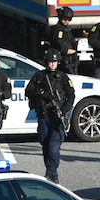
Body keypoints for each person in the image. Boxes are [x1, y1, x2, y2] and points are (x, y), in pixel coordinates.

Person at [25, 48, 75, 184]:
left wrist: (64, 110)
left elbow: (71, 95)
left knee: (53, 146)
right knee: (45, 144)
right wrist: (40, 93)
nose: (52, 64)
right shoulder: (39, 76)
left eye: (55, 62)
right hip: (43, 115)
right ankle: (50, 169)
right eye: (50, 62)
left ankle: (52, 173)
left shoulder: (63, 77)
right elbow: (28, 91)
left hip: (57, 117)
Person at [48, 6, 78, 74]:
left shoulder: (66, 29)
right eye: (64, 19)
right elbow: (58, 43)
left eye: (69, 19)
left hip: (68, 61)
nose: (66, 21)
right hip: (63, 61)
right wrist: (66, 50)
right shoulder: (59, 30)